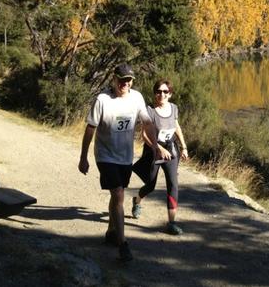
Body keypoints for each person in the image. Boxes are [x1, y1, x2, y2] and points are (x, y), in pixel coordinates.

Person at [78, 63, 167, 262]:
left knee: (116, 195)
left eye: (128, 80)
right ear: (113, 79)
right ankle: (122, 244)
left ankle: (111, 231)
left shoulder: (136, 98)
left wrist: (154, 146)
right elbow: (90, 129)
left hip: (125, 157)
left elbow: (147, 122)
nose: (125, 83)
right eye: (121, 79)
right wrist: (83, 157)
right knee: (118, 194)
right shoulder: (102, 100)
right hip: (105, 156)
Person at [131, 79, 189, 235]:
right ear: (155, 93)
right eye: (158, 91)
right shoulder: (149, 111)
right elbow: (144, 135)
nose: (161, 94)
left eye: (165, 91)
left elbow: (176, 127)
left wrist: (183, 146)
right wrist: (158, 148)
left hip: (171, 150)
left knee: (173, 184)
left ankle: (171, 222)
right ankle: (137, 200)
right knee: (150, 185)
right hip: (153, 151)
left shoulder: (174, 108)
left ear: (170, 94)